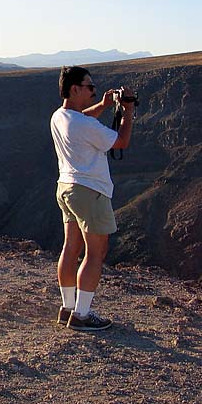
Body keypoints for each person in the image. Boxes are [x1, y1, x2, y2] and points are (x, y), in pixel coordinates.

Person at [50, 66, 135, 331]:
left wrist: (104, 104)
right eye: (90, 87)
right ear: (75, 89)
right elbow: (121, 142)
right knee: (95, 253)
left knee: (71, 248)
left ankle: (67, 308)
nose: (94, 90)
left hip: (66, 188)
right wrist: (128, 111)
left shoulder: (60, 116)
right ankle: (83, 315)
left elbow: (82, 117)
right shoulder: (85, 125)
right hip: (90, 192)